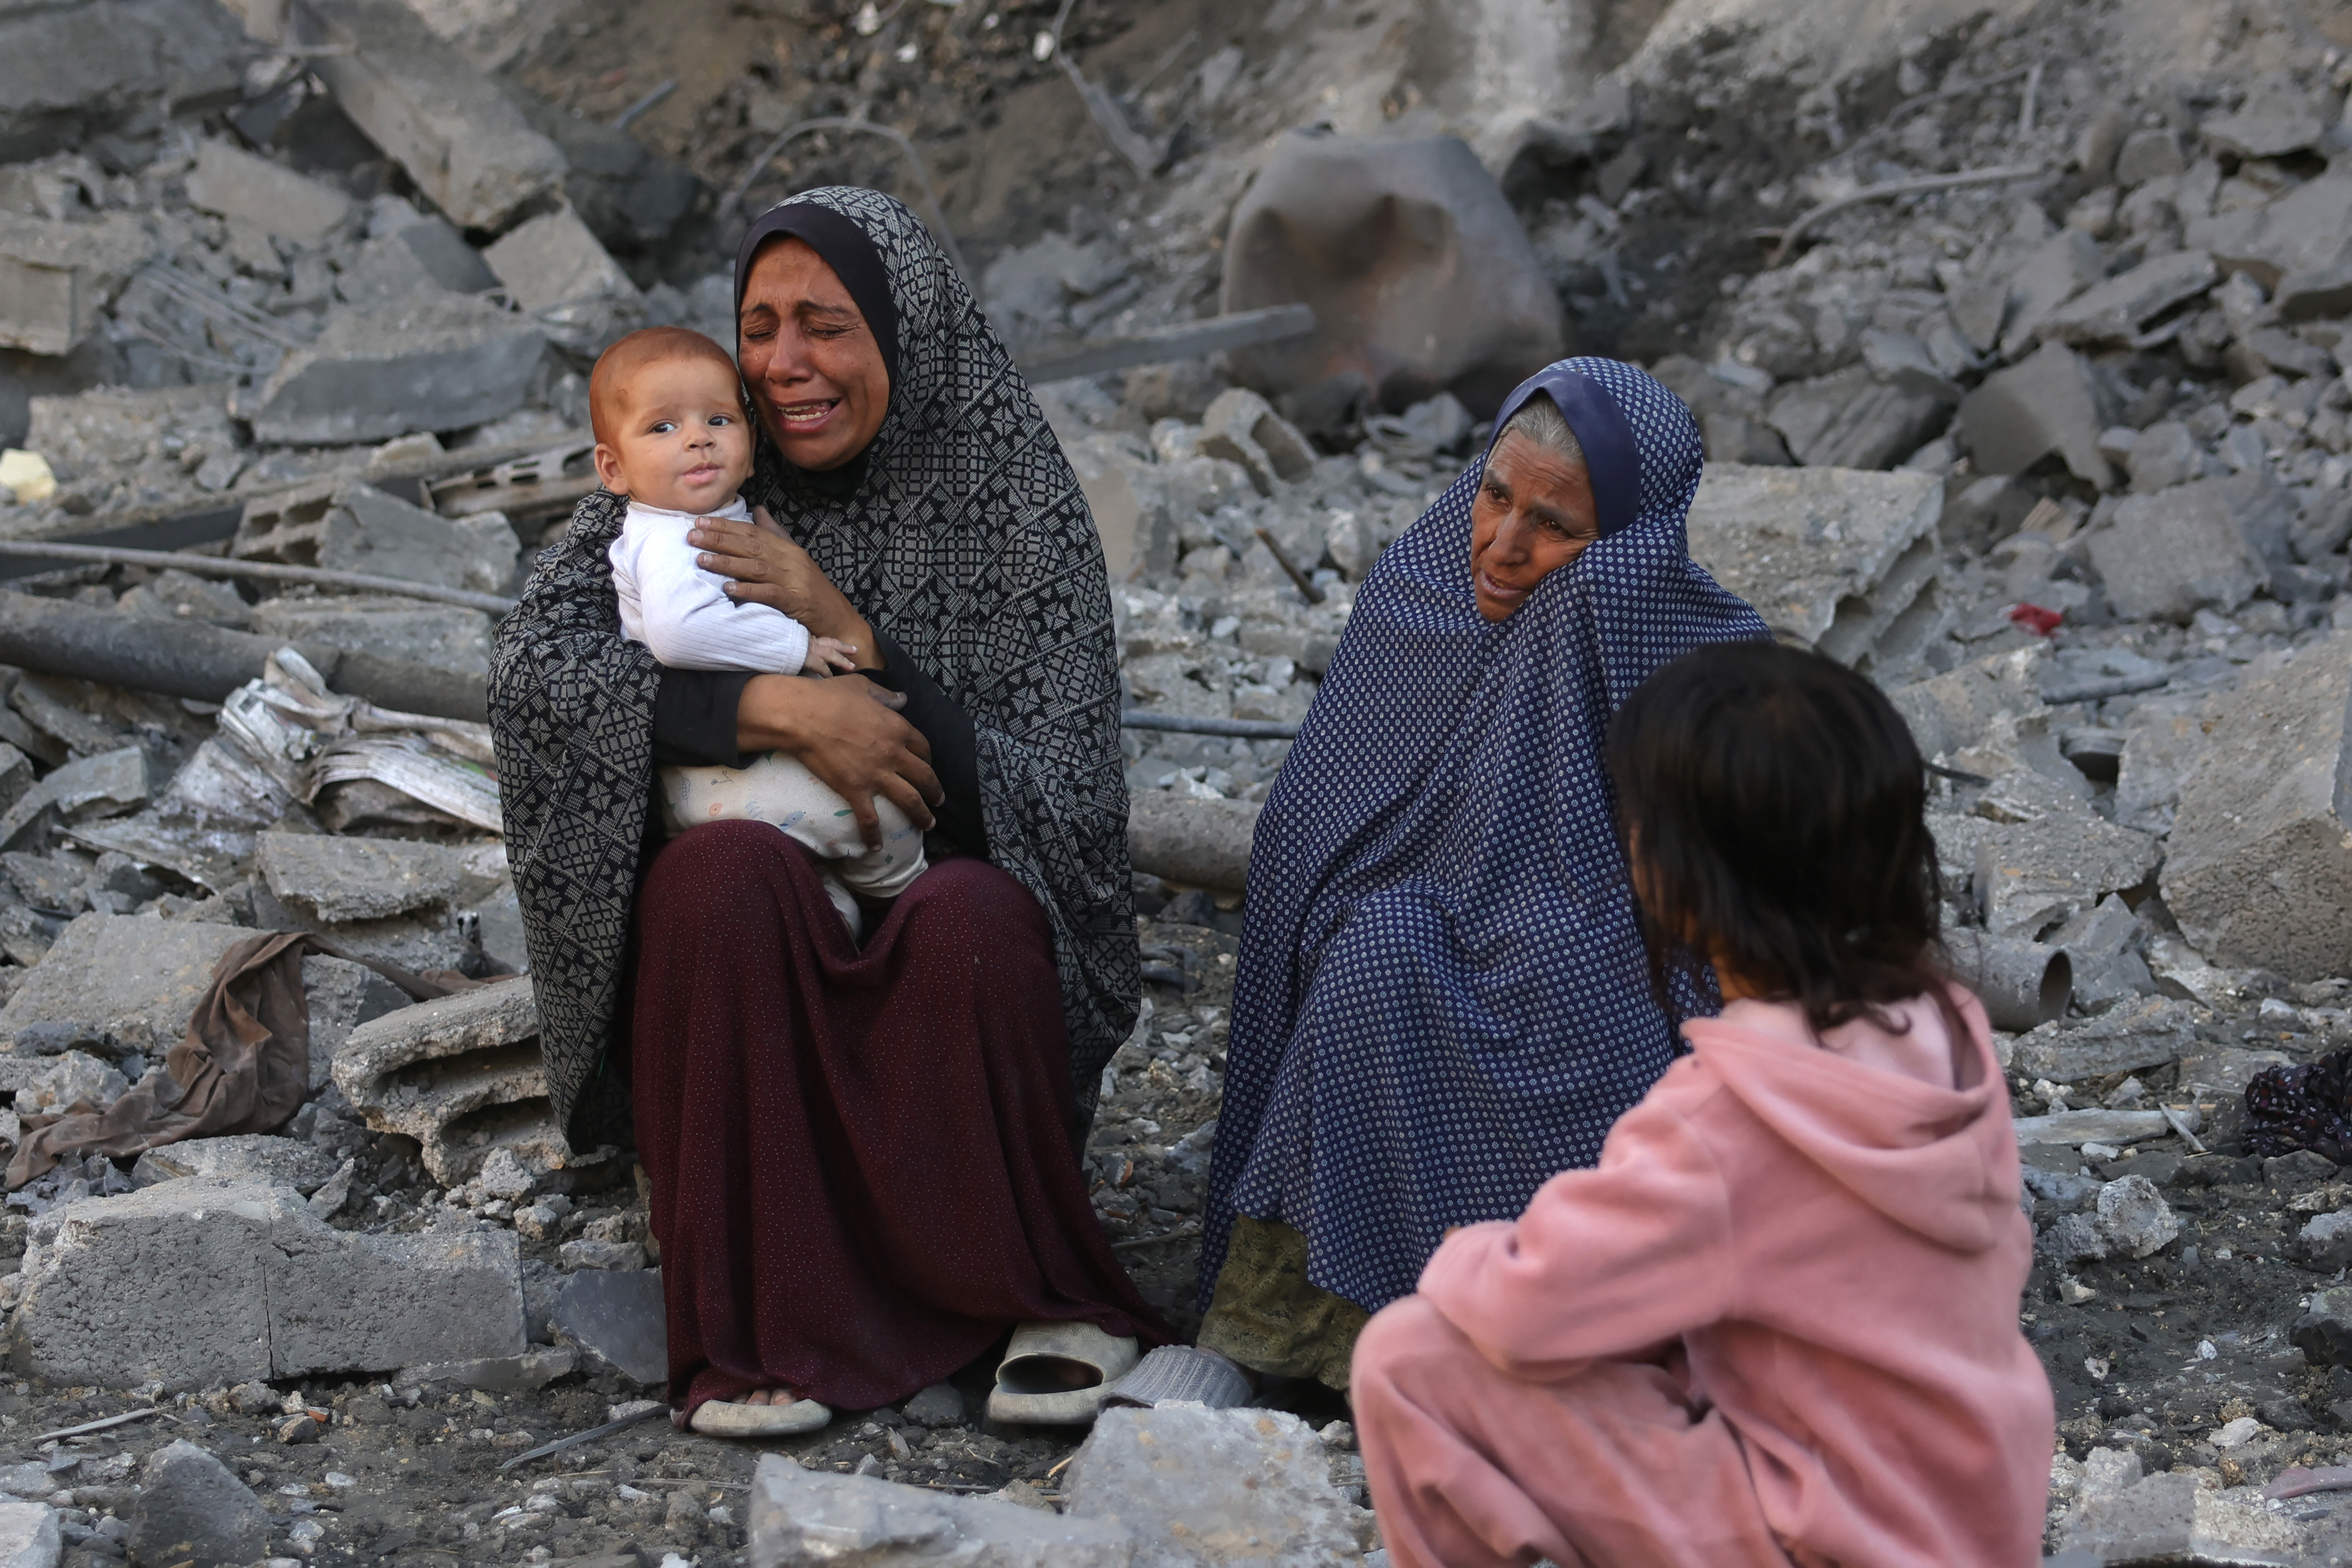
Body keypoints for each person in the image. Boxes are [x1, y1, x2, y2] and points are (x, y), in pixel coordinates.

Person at [490, 188, 1167, 1440]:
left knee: (970, 916)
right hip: (769, 929)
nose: (785, 365)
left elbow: (1069, 804)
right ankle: (763, 1318)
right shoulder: (695, 461)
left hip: (941, 915)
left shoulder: (1012, 496)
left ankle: (1030, 1293)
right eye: (761, 324)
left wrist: (852, 641)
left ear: (907, 334)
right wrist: (778, 711)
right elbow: (542, 676)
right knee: (722, 881)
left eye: (828, 325)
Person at [1129, 360, 1769, 1409]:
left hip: (1595, 1007)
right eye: (1495, 495)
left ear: (1635, 540)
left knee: (1518, 981)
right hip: (1401, 957)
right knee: (1377, 955)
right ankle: (1294, 1342)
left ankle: (1534, 1350)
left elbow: (1728, 936)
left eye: (1557, 526)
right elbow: (1314, 823)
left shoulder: (1700, 664)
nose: (1504, 545)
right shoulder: (1419, 595)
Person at [1350, 641, 2056, 1568]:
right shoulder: (1941, 1021)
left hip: (1822, 1535)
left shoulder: (1733, 1114)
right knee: (1653, 1345)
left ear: (1683, 873)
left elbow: (1528, 1308)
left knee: (1410, 1354)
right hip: (1964, 1525)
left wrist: (1460, 1254)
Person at [594, 325, 922, 934]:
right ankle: (905, 896)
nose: (697, 439)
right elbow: (679, 632)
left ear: (750, 445)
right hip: (710, 772)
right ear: (613, 469)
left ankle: (831, 909)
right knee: (876, 810)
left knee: (820, 854)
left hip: (738, 769)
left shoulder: (707, 517)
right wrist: (798, 648)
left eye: (718, 420)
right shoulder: (665, 538)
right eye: (663, 428)